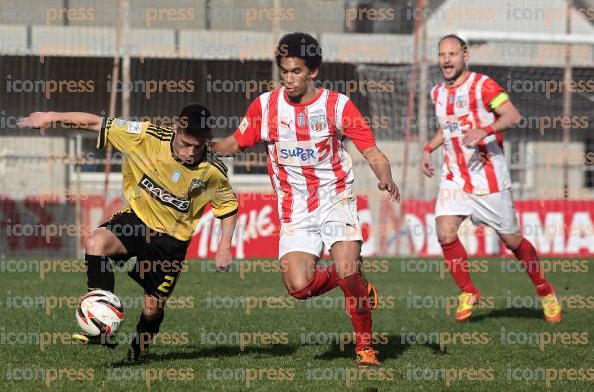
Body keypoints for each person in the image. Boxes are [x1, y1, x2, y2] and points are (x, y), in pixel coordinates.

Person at [212, 32, 400, 367]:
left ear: (313, 71)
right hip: (294, 210)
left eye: (296, 71)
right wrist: (201, 147)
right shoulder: (266, 107)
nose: (288, 78)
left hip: (335, 199)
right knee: (299, 287)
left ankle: (365, 347)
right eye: (284, 71)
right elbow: (236, 143)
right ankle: (354, 278)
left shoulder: (338, 105)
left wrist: (384, 175)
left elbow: (371, 150)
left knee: (345, 271)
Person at [18, 104, 239, 361]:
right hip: (137, 219)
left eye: (198, 147)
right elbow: (96, 123)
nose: (190, 153)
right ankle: (102, 318)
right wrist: (52, 117)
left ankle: (139, 349)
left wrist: (224, 247)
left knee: (152, 309)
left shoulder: (213, 170)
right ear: (176, 130)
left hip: (171, 241)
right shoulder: (146, 136)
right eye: (185, 144)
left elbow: (228, 207)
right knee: (95, 243)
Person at [420, 34, 562, 323]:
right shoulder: (437, 92)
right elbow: (448, 128)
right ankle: (468, 291)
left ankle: (544, 290)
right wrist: (428, 148)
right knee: (444, 232)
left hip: (488, 179)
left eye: (452, 54)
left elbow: (512, 115)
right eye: (441, 54)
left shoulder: (483, 86)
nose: (446, 60)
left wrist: (485, 130)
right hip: (454, 176)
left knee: (513, 242)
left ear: (464, 55)